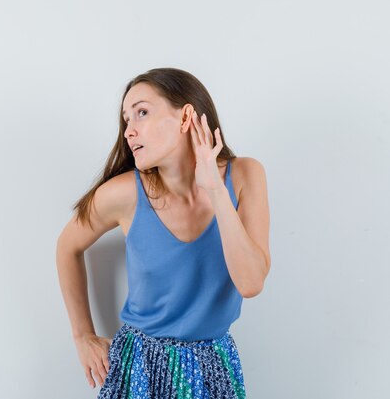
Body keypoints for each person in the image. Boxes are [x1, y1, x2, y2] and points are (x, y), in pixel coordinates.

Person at [56, 68, 271, 398]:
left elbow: (251, 282)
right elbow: (67, 247)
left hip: (214, 367)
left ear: (185, 117)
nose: (129, 131)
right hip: (139, 365)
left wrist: (214, 187)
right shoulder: (124, 193)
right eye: (126, 120)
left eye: (141, 112)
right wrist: (83, 336)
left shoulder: (245, 176)